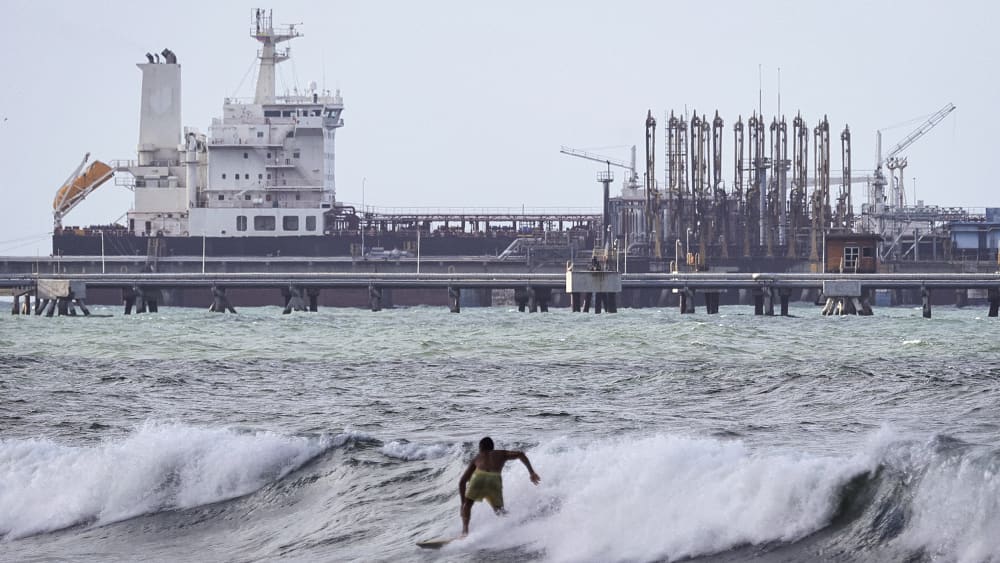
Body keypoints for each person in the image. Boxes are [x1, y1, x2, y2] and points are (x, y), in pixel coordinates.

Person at [458, 437, 540, 536]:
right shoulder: (501, 453)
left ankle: (465, 532)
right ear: (492, 447)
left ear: (480, 447)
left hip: (478, 478)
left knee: (468, 504)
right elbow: (520, 454)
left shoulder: (477, 458)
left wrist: (463, 504)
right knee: (500, 511)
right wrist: (531, 472)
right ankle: (517, 525)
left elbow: (462, 481)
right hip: (494, 480)